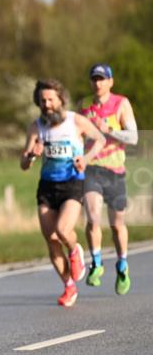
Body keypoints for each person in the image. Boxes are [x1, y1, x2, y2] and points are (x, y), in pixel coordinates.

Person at [20, 79, 106, 307]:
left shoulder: (75, 121)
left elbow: (100, 139)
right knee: (50, 239)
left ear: (60, 100)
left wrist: (86, 159)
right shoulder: (36, 127)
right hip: (47, 186)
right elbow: (23, 163)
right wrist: (31, 155)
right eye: (42, 100)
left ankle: (75, 249)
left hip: (72, 183)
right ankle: (68, 286)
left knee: (62, 230)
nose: (46, 104)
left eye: (50, 99)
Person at [79, 63, 139, 295]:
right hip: (92, 168)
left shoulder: (121, 103)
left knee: (117, 224)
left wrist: (108, 130)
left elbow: (133, 137)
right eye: (94, 79)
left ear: (110, 82)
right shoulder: (84, 105)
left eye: (102, 79)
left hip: (115, 170)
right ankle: (96, 263)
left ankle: (122, 264)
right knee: (93, 218)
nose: (98, 83)